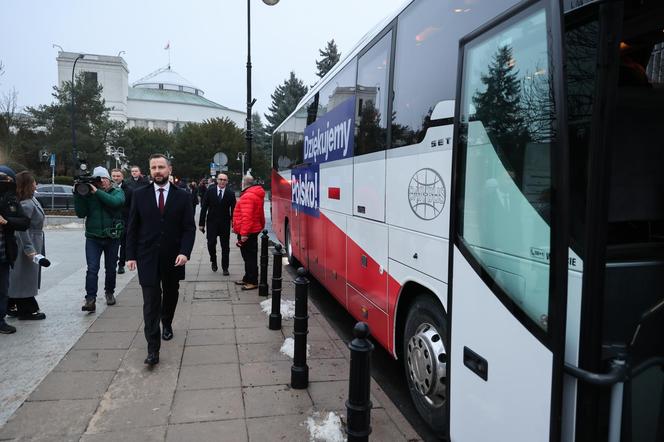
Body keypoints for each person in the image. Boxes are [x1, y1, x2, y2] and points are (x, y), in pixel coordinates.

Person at [126, 154, 195, 366]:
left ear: (169, 169)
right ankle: (152, 349)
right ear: (150, 171)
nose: (157, 171)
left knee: (171, 294)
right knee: (150, 302)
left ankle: (167, 322)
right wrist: (130, 256)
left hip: (174, 258)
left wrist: (185, 252)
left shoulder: (183, 196)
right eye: (154, 167)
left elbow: (188, 228)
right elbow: (133, 227)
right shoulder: (140, 195)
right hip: (147, 258)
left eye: (161, 167)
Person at [74, 166, 125, 312]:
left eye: (104, 178)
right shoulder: (89, 194)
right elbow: (80, 213)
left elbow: (115, 203)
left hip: (112, 236)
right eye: (98, 179)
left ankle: (109, 293)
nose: (101, 181)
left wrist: (97, 192)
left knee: (110, 268)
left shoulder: (118, 191)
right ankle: (90, 298)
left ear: (109, 180)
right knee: (92, 269)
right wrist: (78, 195)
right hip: (93, 237)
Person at [7, 172, 48, 320]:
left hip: (35, 238)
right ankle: (25, 307)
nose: (36, 184)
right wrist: (29, 249)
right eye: (33, 182)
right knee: (24, 275)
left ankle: (11, 303)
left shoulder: (30, 201)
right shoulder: (26, 204)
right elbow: (22, 228)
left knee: (26, 275)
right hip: (28, 241)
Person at [0, 166, 30, 334]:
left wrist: (6, 221)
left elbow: (24, 222)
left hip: (4, 252)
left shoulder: (11, 200)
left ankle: (0, 320)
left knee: (3, 289)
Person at [232, 173, 265, 290]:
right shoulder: (254, 194)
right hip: (253, 229)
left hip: (247, 232)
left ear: (243, 183)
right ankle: (247, 278)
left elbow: (247, 217)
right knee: (249, 257)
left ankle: (252, 281)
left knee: (249, 257)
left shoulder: (248, 196)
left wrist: (244, 234)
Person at [199, 173, 236, 275]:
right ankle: (213, 260)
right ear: (217, 180)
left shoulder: (230, 193)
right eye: (220, 179)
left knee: (225, 246)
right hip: (211, 222)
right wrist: (201, 223)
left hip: (224, 223)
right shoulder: (210, 191)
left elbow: (234, 210)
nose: (222, 181)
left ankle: (225, 267)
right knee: (211, 243)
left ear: (227, 182)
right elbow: (204, 208)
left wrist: (234, 225)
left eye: (224, 180)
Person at [111, 168, 132, 275]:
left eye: (118, 176)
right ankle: (113, 261)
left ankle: (121, 264)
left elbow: (132, 207)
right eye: (114, 176)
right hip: (111, 221)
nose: (115, 178)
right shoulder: (107, 188)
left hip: (124, 221)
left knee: (123, 244)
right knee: (113, 243)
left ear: (122, 177)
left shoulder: (129, 190)